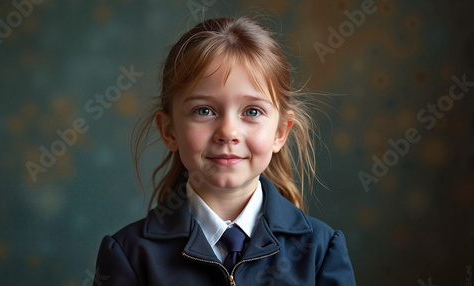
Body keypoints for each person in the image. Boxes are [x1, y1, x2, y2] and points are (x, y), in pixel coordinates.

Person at [94, 16, 356, 285]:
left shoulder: (321, 252)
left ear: (280, 132)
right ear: (169, 130)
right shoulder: (129, 255)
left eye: (252, 111)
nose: (228, 132)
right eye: (204, 111)